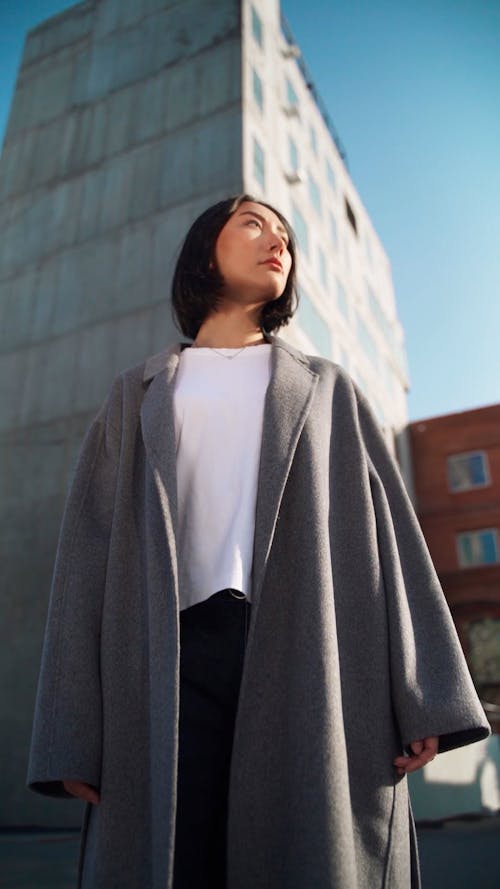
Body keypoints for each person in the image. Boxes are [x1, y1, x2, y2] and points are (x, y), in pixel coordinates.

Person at [27, 194, 490, 889]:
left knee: (306, 854)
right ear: (204, 249)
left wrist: (422, 693)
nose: (278, 242)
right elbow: (85, 558)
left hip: (304, 652)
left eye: (287, 236)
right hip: (165, 663)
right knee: (176, 861)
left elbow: (392, 536)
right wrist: (71, 730)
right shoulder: (139, 393)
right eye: (254, 223)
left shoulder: (327, 388)